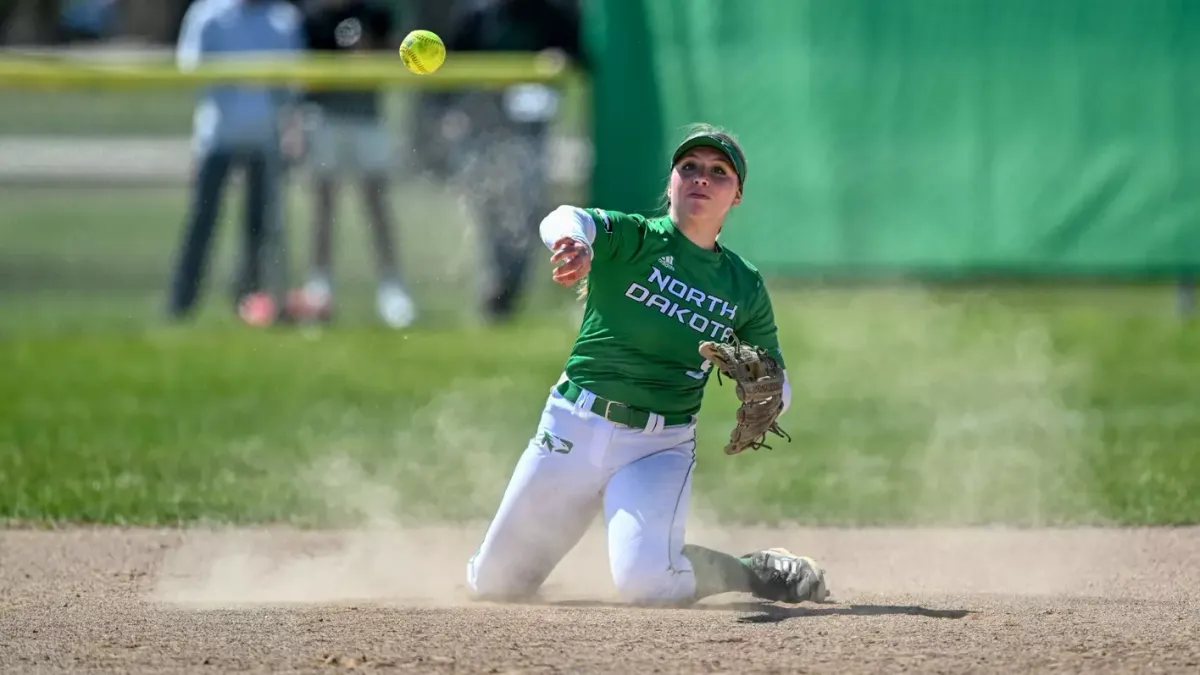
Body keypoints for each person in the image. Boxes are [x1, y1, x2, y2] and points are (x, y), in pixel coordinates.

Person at [465, 124, 831, 606]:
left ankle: (754, 572)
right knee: (493, 585)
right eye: (689, 167)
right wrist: (575, 242)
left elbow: (779, 386)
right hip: (572, 428)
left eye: (718, 172)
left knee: (649, 584)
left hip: (656, 448)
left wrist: (768, 390)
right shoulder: (636, 238)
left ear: (737, 195)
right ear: (672, 181)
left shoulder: (743, 285)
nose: (701, 177)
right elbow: (566, 216)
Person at [441, 0, 586, 323]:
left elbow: (579, 54)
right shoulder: (478, 16)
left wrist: (560, 57)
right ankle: (493, 280)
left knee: (524, 210)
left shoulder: (551, 14)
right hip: (482, 127)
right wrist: (455, 112)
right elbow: (451, 68)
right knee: (488, 206)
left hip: (527, 132)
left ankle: (509, 285)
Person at [167, 0, 306, 324]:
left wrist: (291, 127)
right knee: (202, 220)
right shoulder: (208, 15)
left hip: (265, 138)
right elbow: (190, 68)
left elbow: (294, 81)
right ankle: (181, 302)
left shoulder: (282, 18)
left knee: (258, 226)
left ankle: (249, 301)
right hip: (218, 136)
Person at [292, 0, 415, 328]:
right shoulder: (313, 19)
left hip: (366, 119)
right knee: (323, 204)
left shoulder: (374, 13)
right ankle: (319, 286)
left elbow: (393, 58)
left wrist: (372, 53)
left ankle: (392, 287)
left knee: (376, 203)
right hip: (325, 118)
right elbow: (303, 76)